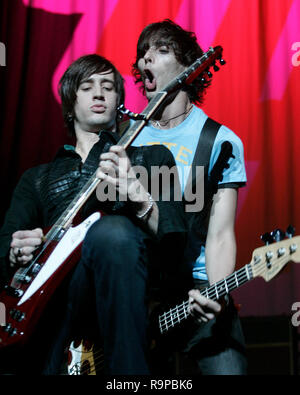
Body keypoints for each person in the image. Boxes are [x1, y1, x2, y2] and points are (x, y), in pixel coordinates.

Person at [0, 54, 187, 374]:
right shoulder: (37, 178)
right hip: (52, 305)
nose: (99, 93)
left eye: (108, 87)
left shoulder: (153, 157)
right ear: (70, 104)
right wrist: (17, 250)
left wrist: (138, 195)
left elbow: (175, 242)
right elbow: (5, 245)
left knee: (111, 231)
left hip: (126, 292)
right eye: (87, 87)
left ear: (119, 101)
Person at [129, 19, 248, 374]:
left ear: (189, 67)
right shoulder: (126, 140)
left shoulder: (220, 141)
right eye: (143, 53)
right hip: (141, 290)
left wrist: (216, 292)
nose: (147, 58)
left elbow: (220, 233)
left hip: (197, 285)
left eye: (161, 51)